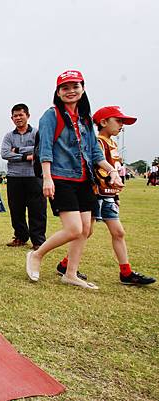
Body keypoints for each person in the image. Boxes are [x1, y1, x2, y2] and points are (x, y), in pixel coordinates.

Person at [26, 70, 123, 289]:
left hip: (83, 179)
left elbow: (95, 153)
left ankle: (70, 273)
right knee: (73, 229)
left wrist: (113, 171)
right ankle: (37, 255)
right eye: (65, 88)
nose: (70, 91)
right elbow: (46, 148)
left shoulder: (86, 119)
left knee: (86, 229)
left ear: (83, 88)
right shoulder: (51, 115)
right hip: (61, 178)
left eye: (75, 86)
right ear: (58, 92)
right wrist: (47, 178)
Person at [55, 106, 155, 286]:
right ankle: (66, 265)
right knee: (85, 231)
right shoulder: (98, 142)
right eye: (118, 121)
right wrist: (109, 177)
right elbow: (94, 166)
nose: (121, 126)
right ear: (103, 122)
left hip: (109, 196)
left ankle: (126, 272)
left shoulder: (113, 144)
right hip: (96, 194)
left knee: (118, 232)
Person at [1, 103, 47, 249]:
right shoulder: (9, 136)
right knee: (16, 209)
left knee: (37, 209)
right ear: (11, 118)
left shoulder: (37, 133)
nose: (18, 118)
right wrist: (27, 156)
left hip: (34, 176)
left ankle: (38, 241)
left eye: (21, 115)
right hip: (14, 177)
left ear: (28, 115)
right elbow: (5, 153)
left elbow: (40, 150)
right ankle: (20, 237)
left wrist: (18, 150)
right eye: (15, 116)